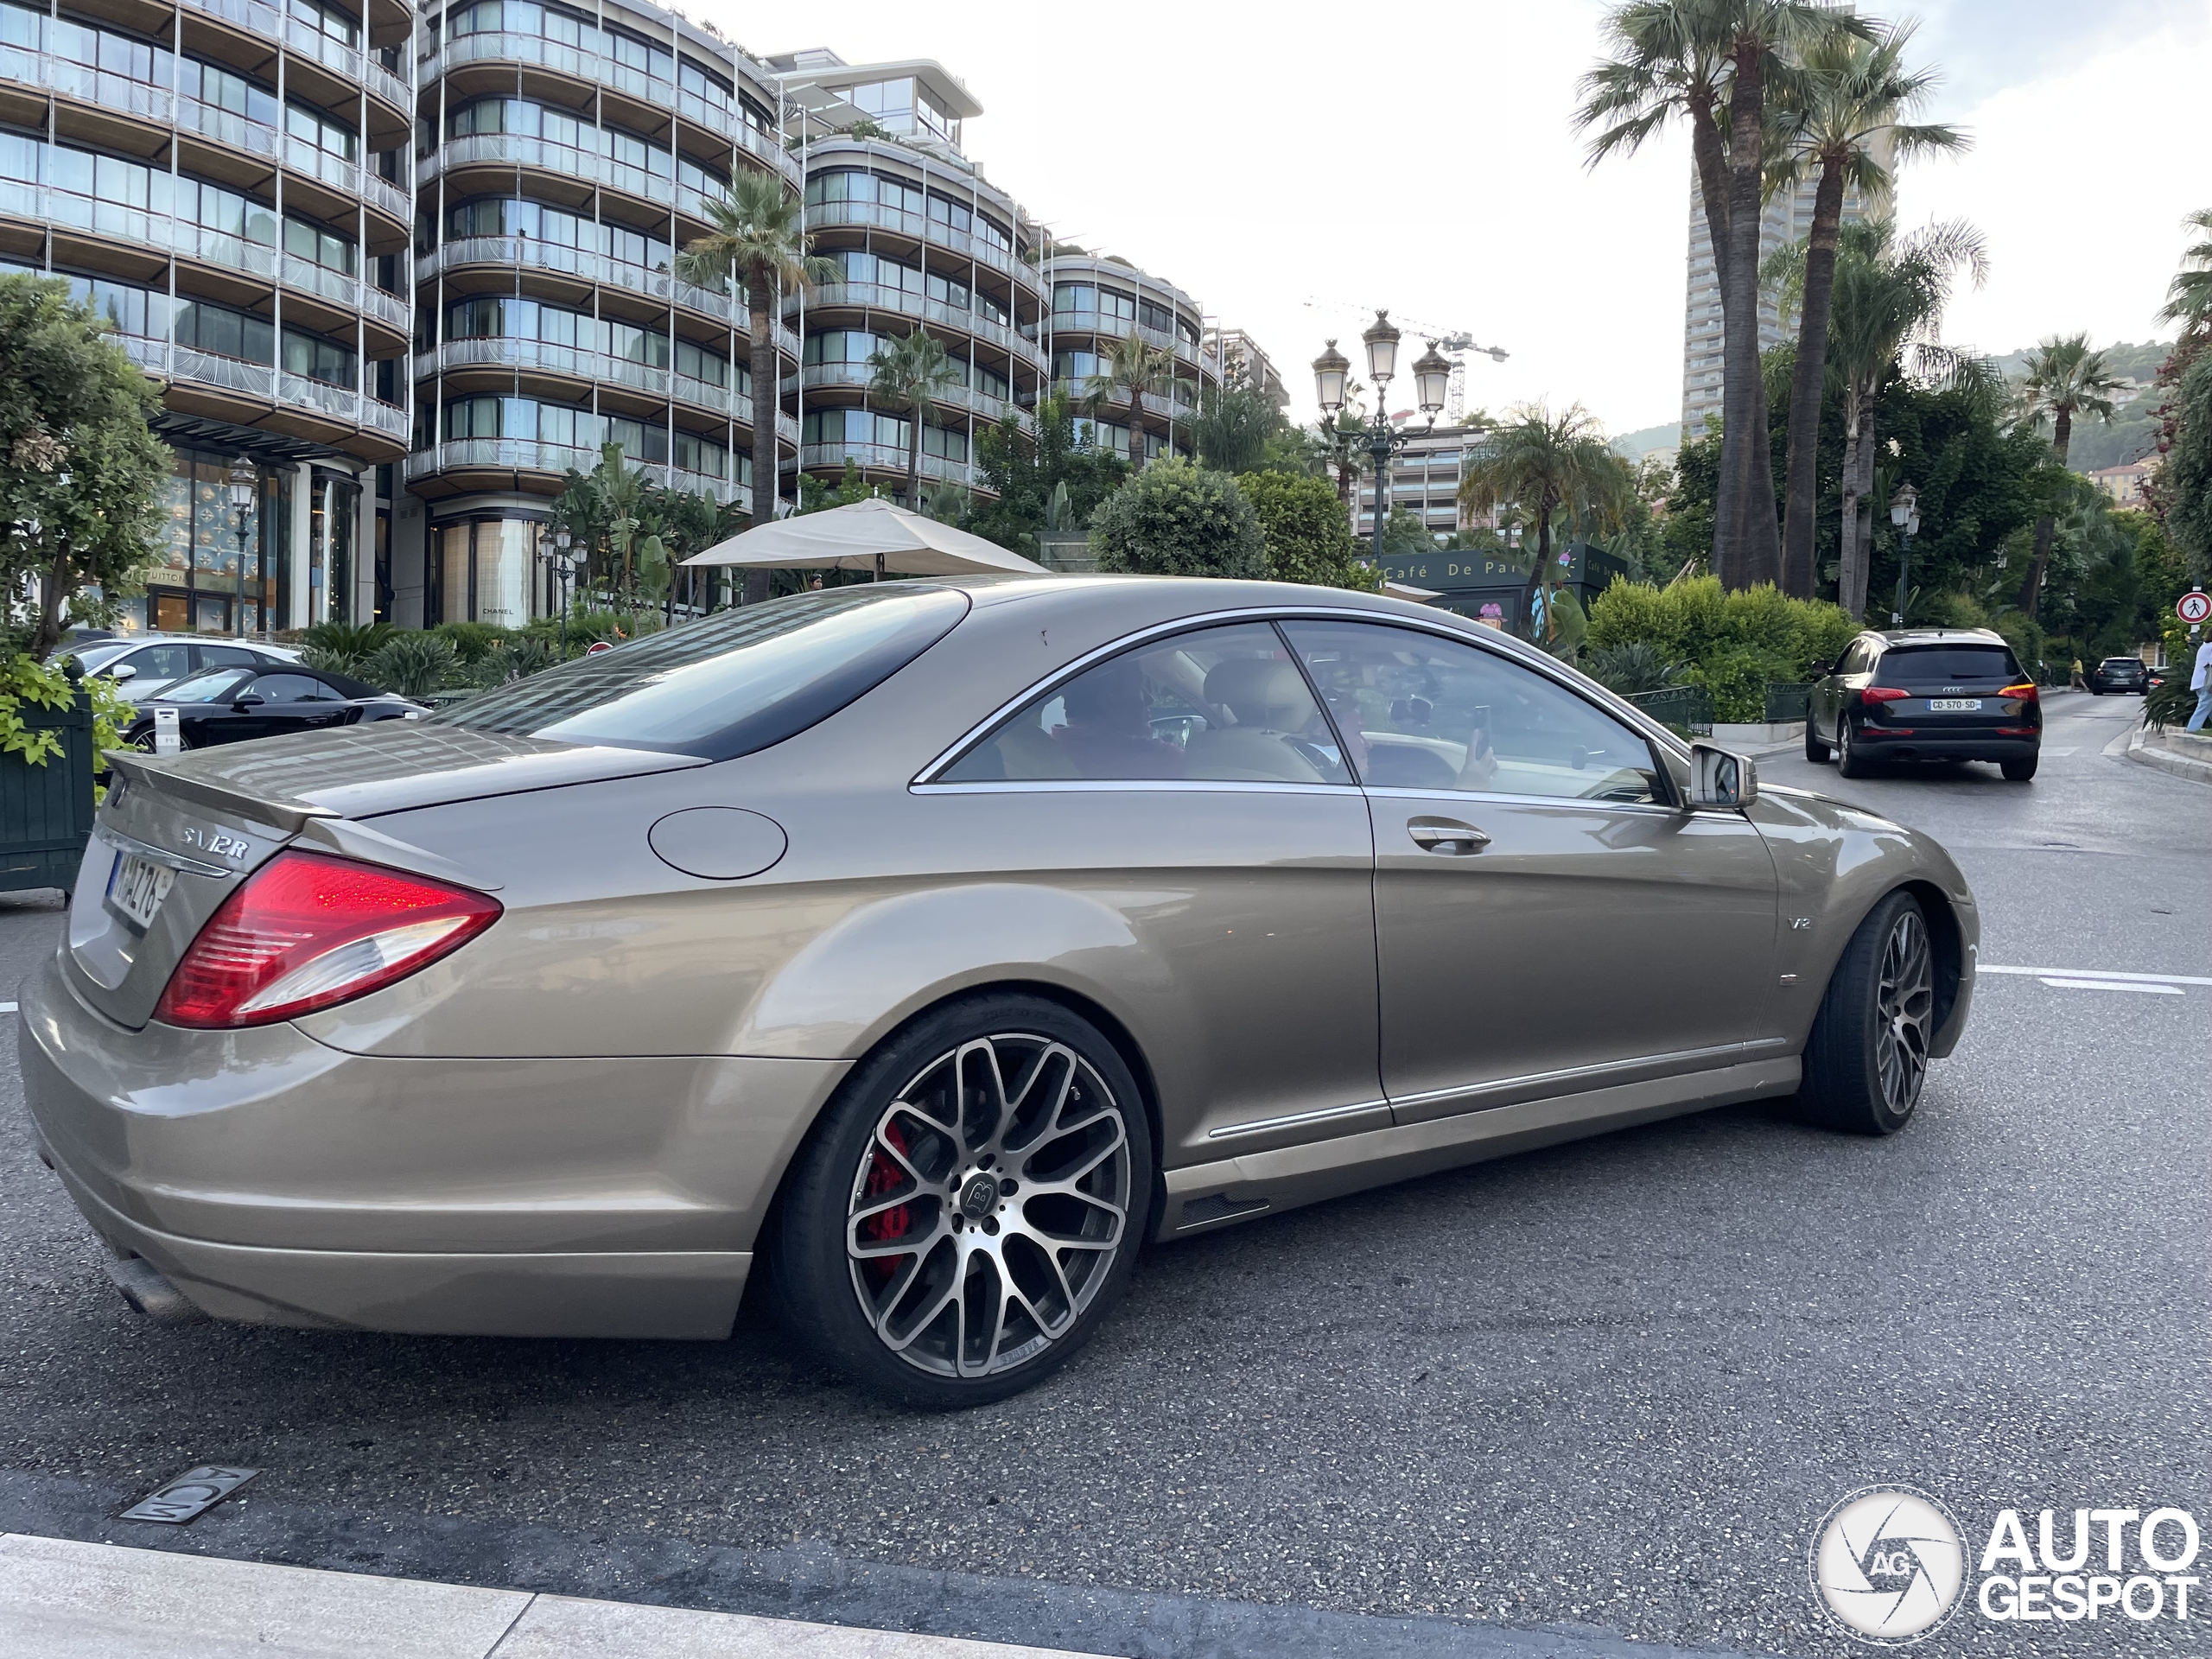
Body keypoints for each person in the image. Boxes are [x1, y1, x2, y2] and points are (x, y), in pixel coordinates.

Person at [2189, 634, 2212, 732]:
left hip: (2200, 683)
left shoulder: (2205, 646)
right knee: (2202, 709)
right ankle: (2191, 731)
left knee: (2207, 708)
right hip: (2207, 683)